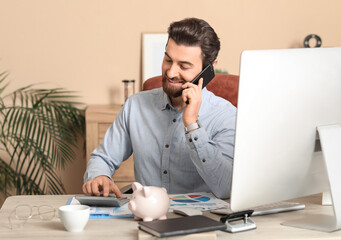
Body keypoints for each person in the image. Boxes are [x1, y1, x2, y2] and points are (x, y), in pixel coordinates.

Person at [82, 17, 236, 199]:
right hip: (146, 217)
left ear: (209, 69)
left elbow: (225, 187)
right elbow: (102, 158)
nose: (170, 72)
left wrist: (192, 125)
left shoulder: (227, 116)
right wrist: (99, 176)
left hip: (202, 222)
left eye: (184, 66)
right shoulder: (135, 106)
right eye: (168, 60)